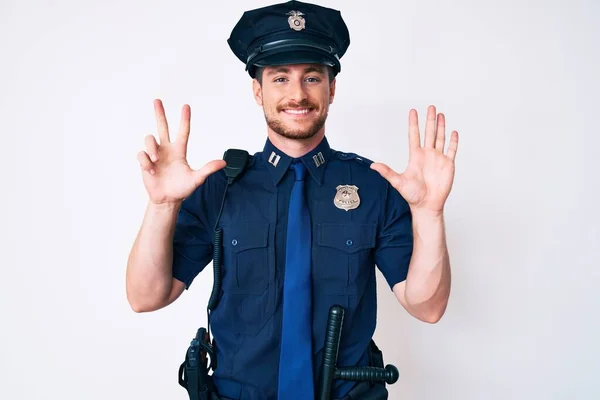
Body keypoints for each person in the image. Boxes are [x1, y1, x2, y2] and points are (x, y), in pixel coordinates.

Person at [126, 1, 459, 399]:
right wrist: (162, 206)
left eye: (312, 78)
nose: (297, 94)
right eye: (280, 78)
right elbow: (145, 297)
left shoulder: (373, 186)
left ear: (332, 88)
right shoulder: (220, 187)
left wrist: (429, 214)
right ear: (257, 90)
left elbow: (427, 307)